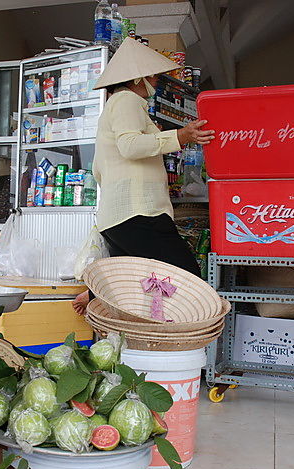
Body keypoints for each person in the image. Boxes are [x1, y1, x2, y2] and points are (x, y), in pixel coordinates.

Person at [72, 37, 215, 314]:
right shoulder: (127, 100)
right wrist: (181, 136)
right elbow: (130, 146)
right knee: (189, 277)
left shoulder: (114, 105)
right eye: (152, 75)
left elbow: (101, 168)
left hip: (120, 216)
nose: (156, 81)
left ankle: (98, 301)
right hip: (139, 212)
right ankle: (183, 342)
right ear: (138, 78)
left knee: (132, 282)